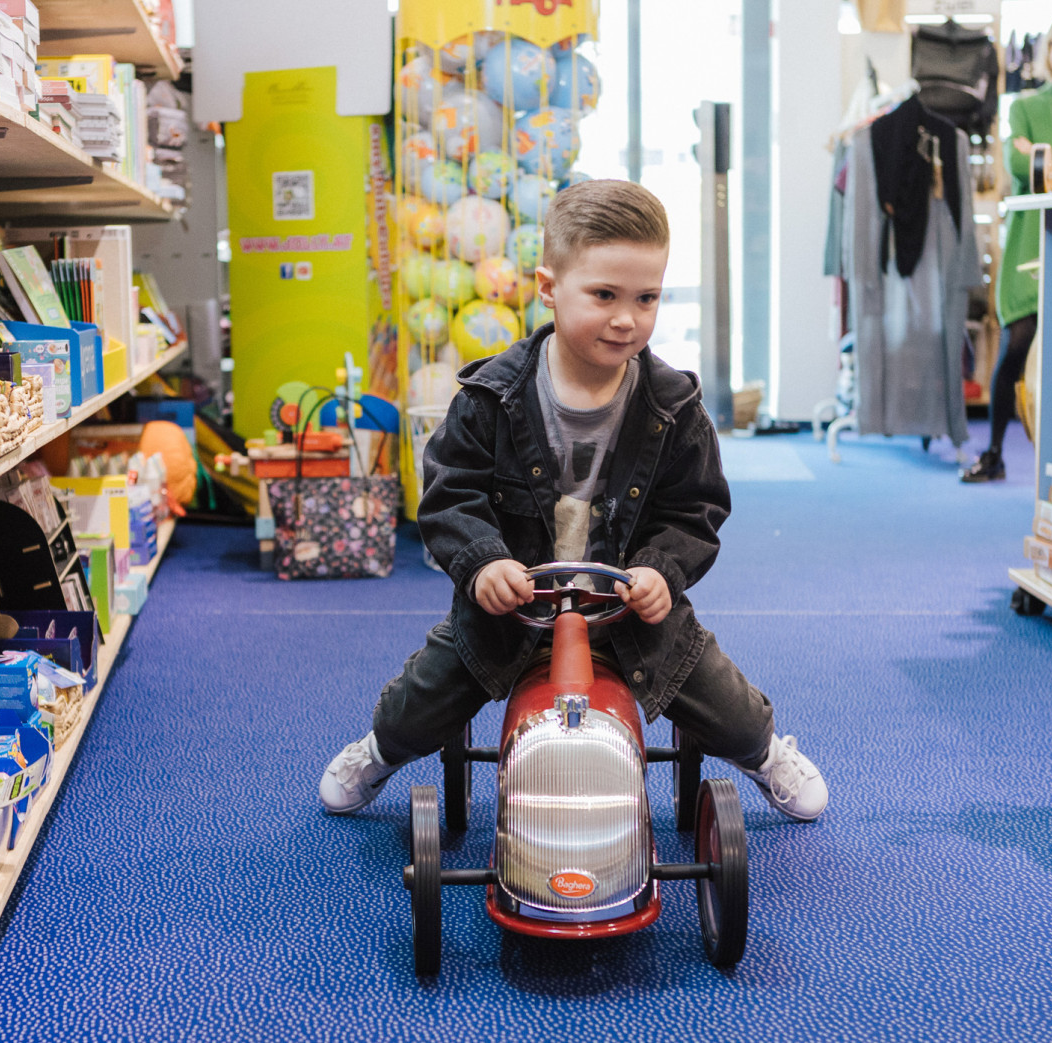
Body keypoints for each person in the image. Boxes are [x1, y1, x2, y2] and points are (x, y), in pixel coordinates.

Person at [319, 180, 828, 823]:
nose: (627, 319)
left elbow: (695, 509)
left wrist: (660, 573)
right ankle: (378, 753)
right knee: (424, 696)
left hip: (629, 618)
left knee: (721, 699)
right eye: (605, 295)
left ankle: (764, 754)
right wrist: (483, 565)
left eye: (647, 298)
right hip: (512, 613)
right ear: (548, 287)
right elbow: (451, 493)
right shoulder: (489, 398)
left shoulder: (673, 408)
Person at [962, 11, 1052, 483]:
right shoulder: (1023, 106)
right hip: (1029, 238)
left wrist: (1049, 159)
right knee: (1016, 343)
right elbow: (1023, 167)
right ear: (1047, 51)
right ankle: (994, 452)